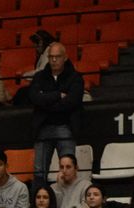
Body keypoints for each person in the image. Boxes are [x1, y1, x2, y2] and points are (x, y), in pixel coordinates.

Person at [28, 41, 84, 186]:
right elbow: (34, 98)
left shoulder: (75, 77)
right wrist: (58, 96)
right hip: (43, 127)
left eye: (57, 56)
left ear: (65, 57)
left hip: (65, 127)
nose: (53, 60)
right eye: (51, 57)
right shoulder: (39, 77)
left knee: (68, 171)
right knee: (39, 171)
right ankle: (38, 205)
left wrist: (46, 102)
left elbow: (72, 101)